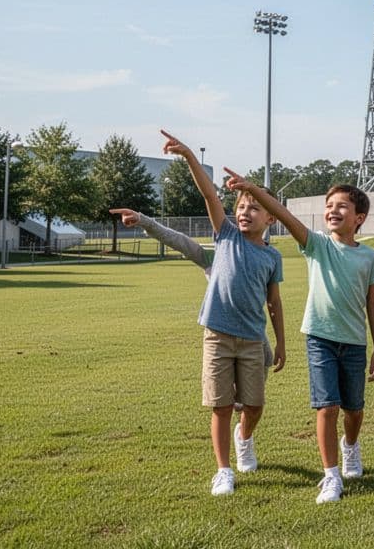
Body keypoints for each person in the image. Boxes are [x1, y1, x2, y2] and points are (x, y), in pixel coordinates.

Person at [109, 130, 285, 498]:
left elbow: (274, 302)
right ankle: (223, 471)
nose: (244, 211)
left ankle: (245, 437)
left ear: (271, 219)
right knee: (221, 406)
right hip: (218, 335)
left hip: (253, 338)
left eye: (254, 207)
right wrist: (189, 156)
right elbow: (203, 203)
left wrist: (279, 343)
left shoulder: (271, 257)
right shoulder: (225, 238)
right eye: (241, 206)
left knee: (253, 405)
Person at [223, 171, 374, 505]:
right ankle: (331, 475)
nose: (333, 210)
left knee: (354, 409)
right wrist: (253, 189)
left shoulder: (368, 256)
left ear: (359, 218)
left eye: (342, 206)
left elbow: (373, 303)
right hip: (320, 338)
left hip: (354, 342)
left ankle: (350, 447)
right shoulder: (316, 245)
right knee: (328, 405)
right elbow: (284, 215)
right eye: (329, 205)